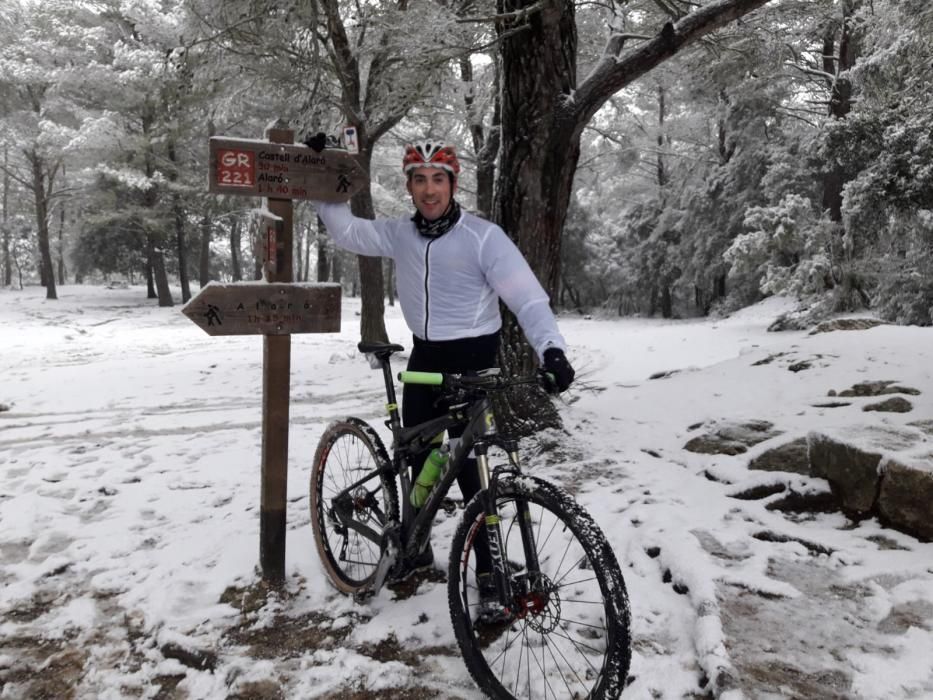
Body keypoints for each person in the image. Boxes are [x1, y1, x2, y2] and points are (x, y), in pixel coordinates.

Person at [311, 139, 574, 611]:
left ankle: (490, 572)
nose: (428, 190)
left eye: (438, 179)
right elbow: (347, 231)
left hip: (475, 362)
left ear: (453, 184)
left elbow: (528, 298)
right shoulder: (400, 234)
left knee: (474, 473)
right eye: (419, 179)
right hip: (424, 362)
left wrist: (551, 351)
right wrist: (327, 175)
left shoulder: (483, 237)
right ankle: (415, 547)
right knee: (418, 461)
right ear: (409, 186)